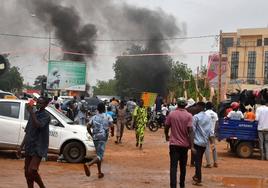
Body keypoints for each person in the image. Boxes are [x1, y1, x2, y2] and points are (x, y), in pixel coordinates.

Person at [17, 97, 51, 188]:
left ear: (45, 105)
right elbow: (28, 131)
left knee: (32, 170)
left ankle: (42, 186)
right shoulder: (34, 114)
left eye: (41, 103)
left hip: (39, 146)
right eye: (38, 102)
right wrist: (21, 147)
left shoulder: (46, 116)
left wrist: (31, 112)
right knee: (27, 173)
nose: (39, 104)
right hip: (29, 145)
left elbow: (38, 125)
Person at [165, 97, 193, 188]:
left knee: (173, 167)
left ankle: (173, 186)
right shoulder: (189, 116)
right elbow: (190, 131)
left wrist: (166, 136)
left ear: (177, 104)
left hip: (173, 145)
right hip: (184, 145)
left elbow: (166, 126)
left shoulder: (171, 114)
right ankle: (182, 185)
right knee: (183, 167)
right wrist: (191, 145)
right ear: (185, 105)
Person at [84, 103, 113, 178]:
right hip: (102, 138)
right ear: (104, 109)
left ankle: (99, 172)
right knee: (100, 156)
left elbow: (88, 126)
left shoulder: (94, 117)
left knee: (98, 155)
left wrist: (92, 135)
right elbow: (112, 125)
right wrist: (112, 133)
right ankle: (89, 164)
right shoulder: (107, 116)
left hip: (95, 138)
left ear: (98, 109)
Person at [191, 102, 214, 186]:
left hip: (197, 143)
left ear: (200, 107)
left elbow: (192, 131)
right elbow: (211, 132)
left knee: (197, 162)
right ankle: (196, 175)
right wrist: (212, 143)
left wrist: (192, 145)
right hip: (204, 143)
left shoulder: (196, 117)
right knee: (199, 160)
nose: (195, 108)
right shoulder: (208, 118)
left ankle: (198, 179)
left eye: (197, 106)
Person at [204, 102, 219, 168]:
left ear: (206, 107)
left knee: (206, 147)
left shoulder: (205, 114)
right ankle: (215, 162)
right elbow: (217, 124)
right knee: (213, 147)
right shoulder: (215, 114)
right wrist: (215, 132)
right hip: (212, 133)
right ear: (212, 107)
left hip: (206, 133)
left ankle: (208, 163)